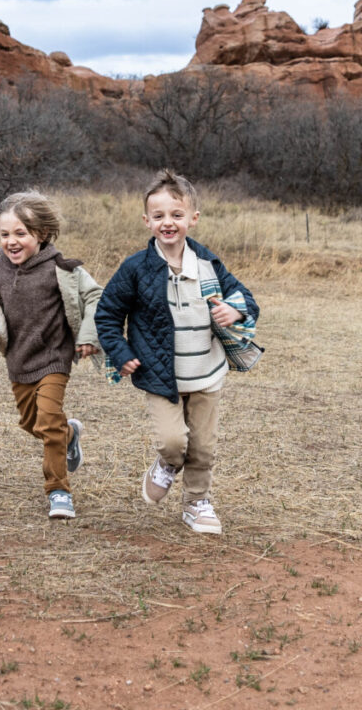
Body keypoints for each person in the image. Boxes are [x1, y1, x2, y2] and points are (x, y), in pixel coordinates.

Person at [94, 169, 259, 535]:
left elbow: (245, 299)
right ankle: (166, 465)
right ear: (147, 221)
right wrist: (120, 352)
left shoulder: (208, 264)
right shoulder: (135, 269)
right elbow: (107, 313)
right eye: (159, 216)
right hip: (159, 374)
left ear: (193, 219)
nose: (168, 223)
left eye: (177, 215)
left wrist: (237, 310)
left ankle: (196, 503)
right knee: (173, 442)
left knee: (202, 447)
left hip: (206, 373)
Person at [0, 191, 102, 520]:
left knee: (47, 422)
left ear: (41, 234)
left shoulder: (61, 270)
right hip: (18, 360)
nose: (11, 242)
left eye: (20, 234)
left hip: (54, 359)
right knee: (32, 423)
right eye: (5, 234)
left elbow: (96, 295)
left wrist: (87, 336)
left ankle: (58, 491)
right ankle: (68, 434)